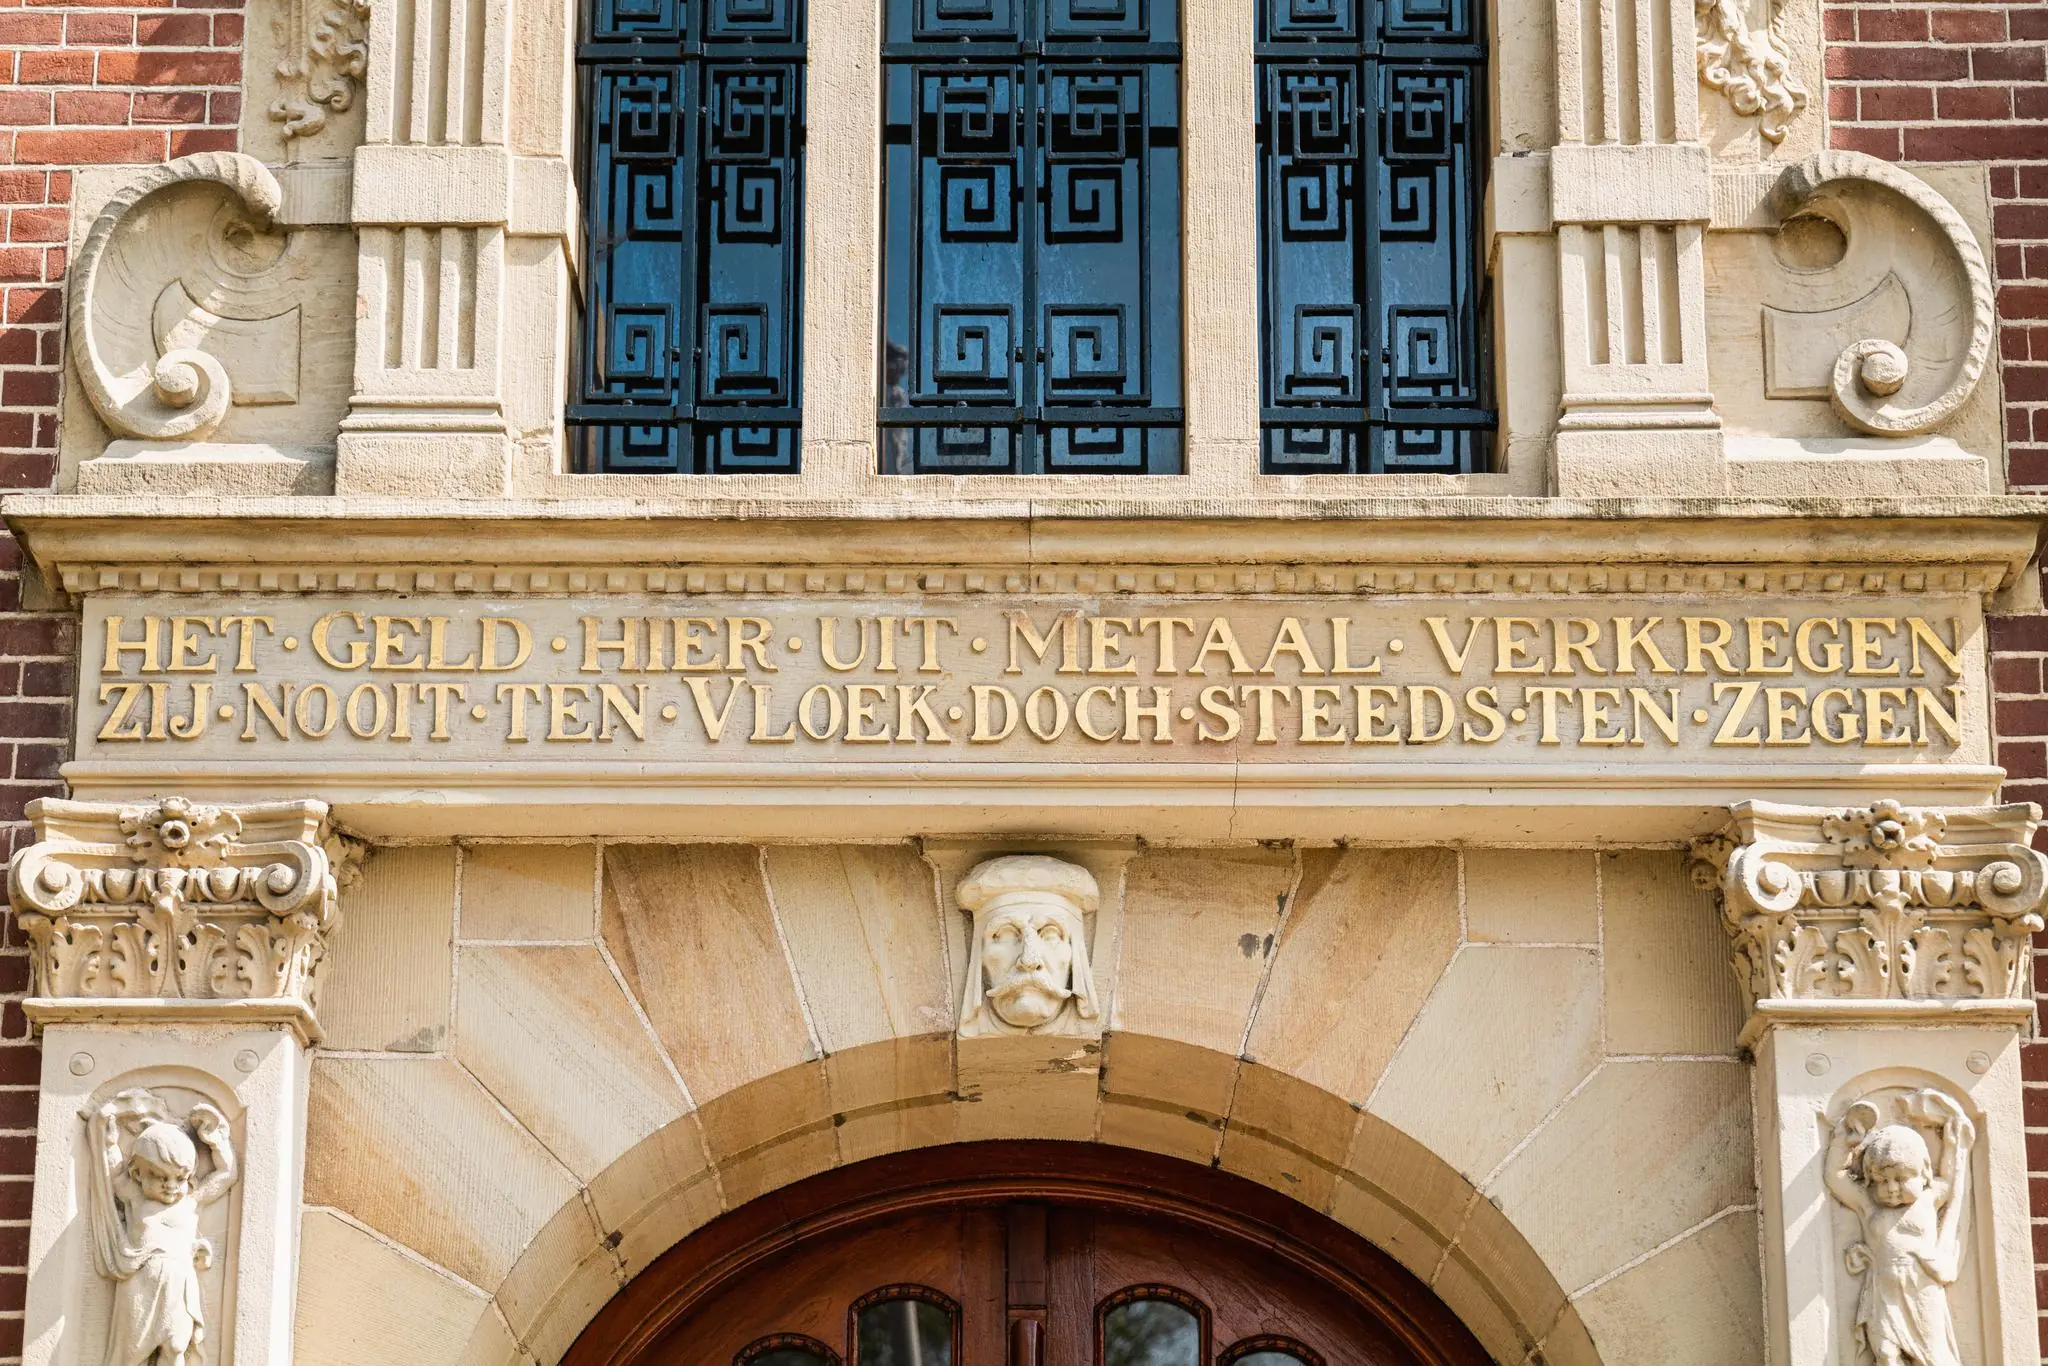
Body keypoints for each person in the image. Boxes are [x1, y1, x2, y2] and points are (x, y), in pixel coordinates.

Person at [85, 1089, 238, 1366]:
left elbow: (226, 1175)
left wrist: (216, 1139)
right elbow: (115, 1173)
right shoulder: (135, 1199)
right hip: (141, 1283)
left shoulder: (191, 1203)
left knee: (176, 1345)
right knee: (128, 1354)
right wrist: (110, 1142)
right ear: (138, 1174)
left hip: (178, 1282)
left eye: (180, 1178)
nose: (171, 1186)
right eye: (159, 1177)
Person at [1825, 1093, 1973, 1366]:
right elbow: (1835, 1178)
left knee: (1932, 1356)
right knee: (1884, 1352)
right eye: (1882, 1181)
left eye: (1901, 1179)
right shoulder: (1868, 1205)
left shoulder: (1929, 1199)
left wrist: (1951, 1144)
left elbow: (1950, 1177)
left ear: (1923, 1173)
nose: (1892, 1188)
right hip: (1883, 1289)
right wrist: (1844, 1143)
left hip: (1921, 1287)